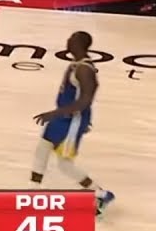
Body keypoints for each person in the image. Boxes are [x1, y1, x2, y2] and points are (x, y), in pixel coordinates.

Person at [31, 31, 116, 216]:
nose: (68, 41)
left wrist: (55, 113)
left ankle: (101, 194)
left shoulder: (84, 70)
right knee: (42, 150)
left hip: (71, 122)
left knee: (64, 164)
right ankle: (34, 192)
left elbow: (85, 101)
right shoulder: (76, 64)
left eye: (72, 39)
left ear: (79, 44)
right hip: (62, 118)